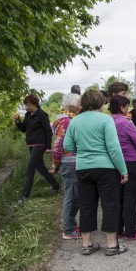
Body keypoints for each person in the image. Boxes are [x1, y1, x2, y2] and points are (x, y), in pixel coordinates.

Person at [63, 90, 129, 256]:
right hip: (106, 169)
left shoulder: (75, 121)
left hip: (83, 168)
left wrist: (84, 148)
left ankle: (87, 244)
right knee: (109, 205)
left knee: (86, 205)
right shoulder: (105, 120)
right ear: (101, 103)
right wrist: (123, 170)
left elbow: (67, 146)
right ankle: (112, 245)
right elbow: (113, 148)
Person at [109, 95, 136, 241]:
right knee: (130, 198)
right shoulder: (126, 123)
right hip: (131, 162)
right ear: (121, 108)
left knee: (118, 197)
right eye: (126, 107)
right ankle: (131, 231)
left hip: (114, 163)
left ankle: (118, 230)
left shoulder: (107, 122)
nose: (127, 110)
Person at [13, 95, 60, 203]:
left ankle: (25, 195)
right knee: (40, 168)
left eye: (29, 105)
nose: (27, 107)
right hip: (31, 144)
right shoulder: (28, 115)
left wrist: (48, 147)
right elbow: (23, 129)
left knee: (31, 167)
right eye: (26, 105)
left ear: (35, 104)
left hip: (40, 144)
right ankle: (56, 186)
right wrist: (17, 121)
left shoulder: (42, 114)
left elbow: (48, 131)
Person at [50, 93, 82, 239]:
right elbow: (58, 145)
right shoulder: (66, 121)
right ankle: (68, 230)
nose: (81, 106)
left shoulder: (66, 120)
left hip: (69, 162)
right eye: (79, 104)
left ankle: (70, 225)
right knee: (72, 195)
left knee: (75, 195)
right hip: (69, 162)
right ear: (71, 106)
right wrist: (56, 163)